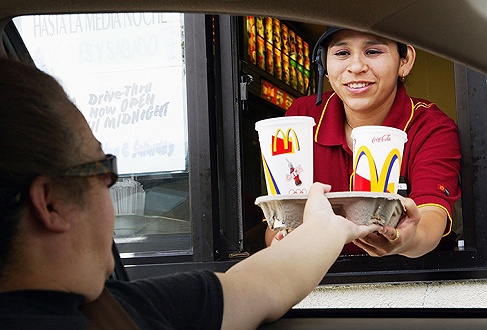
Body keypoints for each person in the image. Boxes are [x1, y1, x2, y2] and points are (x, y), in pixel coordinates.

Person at [0, 58, 383, 329]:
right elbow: (261, 287)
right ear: (51, 203)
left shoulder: (114, 306)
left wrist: (329, 225)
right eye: (104, 169)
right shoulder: (129, 313)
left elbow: (267, 280)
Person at [265, 27, 461, 258]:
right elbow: (277, 223)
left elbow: (430, 221)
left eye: (373, 51)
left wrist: (406, 240)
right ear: (323, 64)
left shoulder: (431, 126)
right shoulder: (303, 117)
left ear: (405, 60)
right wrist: (281, 246)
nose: (356, 67)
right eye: (341, 53)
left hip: (412, 280)